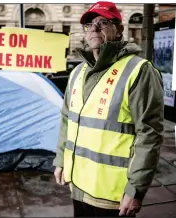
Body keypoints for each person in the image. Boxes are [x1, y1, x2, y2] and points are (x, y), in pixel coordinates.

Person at [53, 1, 164, 217]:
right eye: (88, 24)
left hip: (113, 197)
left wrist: (136, 189)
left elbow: (149, 135)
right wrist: (61, 160)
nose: (93, 28)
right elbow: (67, 119)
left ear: (119, 29)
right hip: (78, 186)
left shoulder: (139, 71)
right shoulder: (77, 72)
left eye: (102, 22)